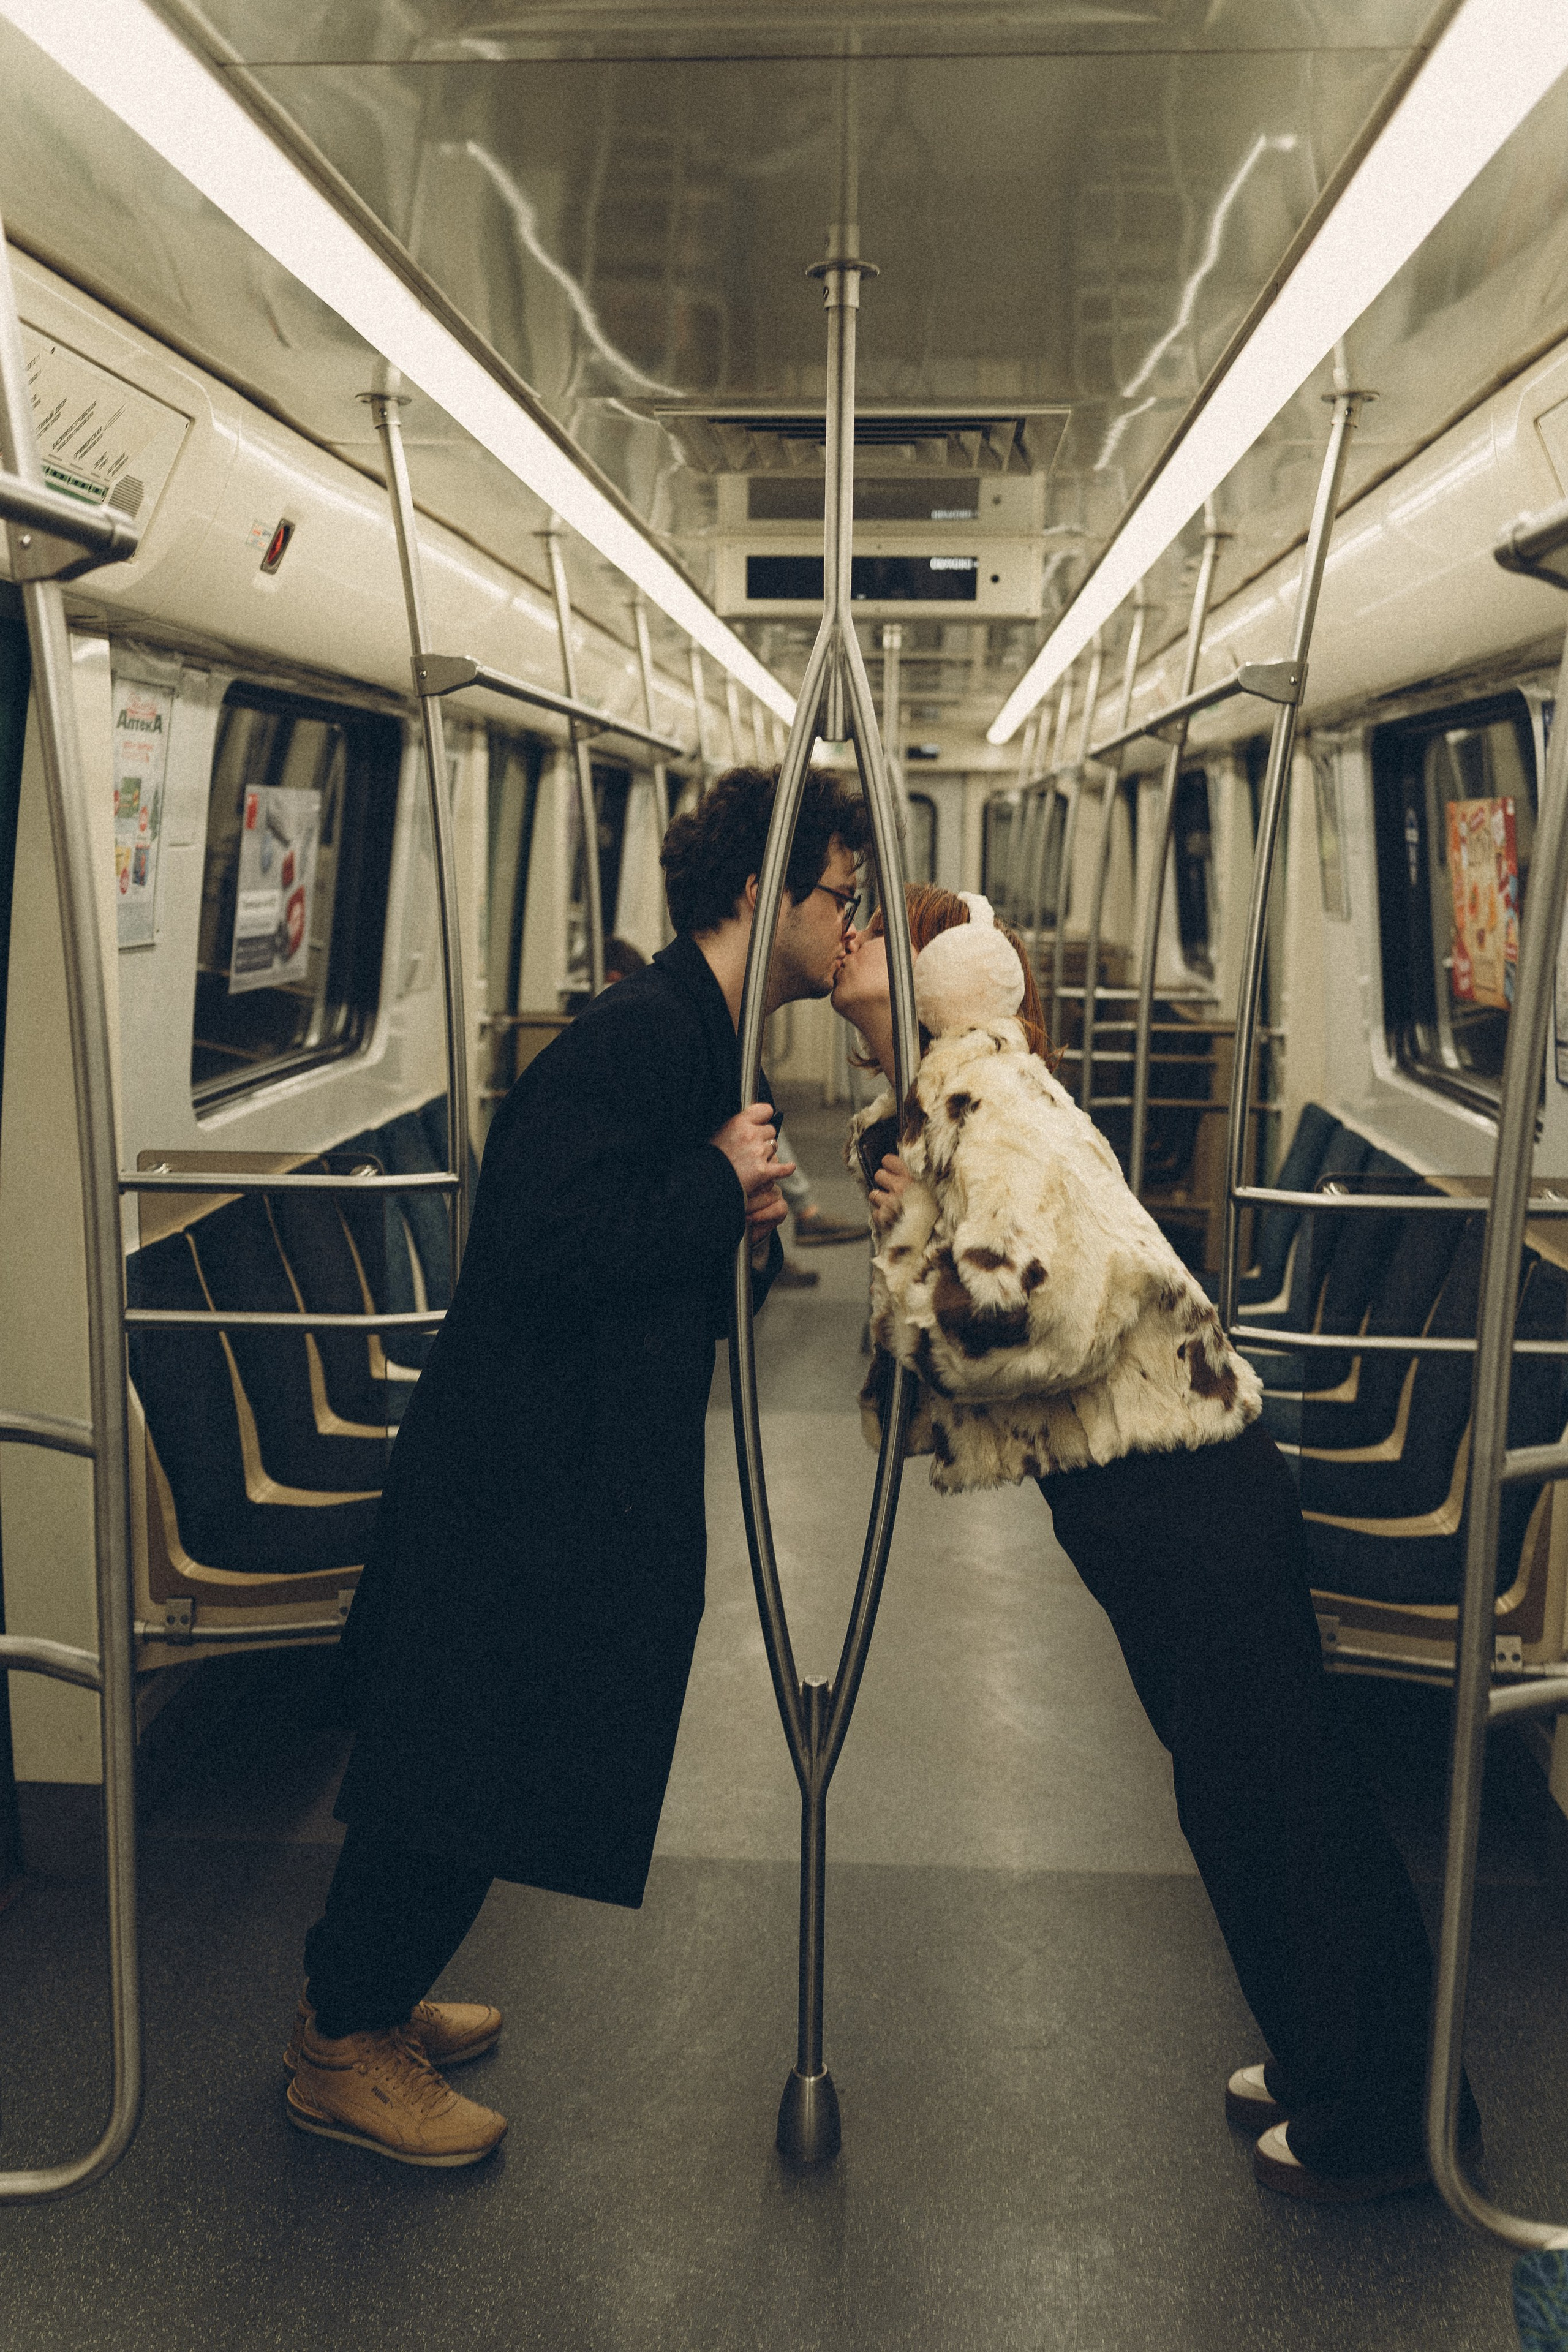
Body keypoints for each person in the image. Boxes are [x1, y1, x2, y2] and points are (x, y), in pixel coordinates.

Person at [831, 881, 1482, 2204]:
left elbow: (1019, 1321)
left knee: (1273, 1802)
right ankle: (1335, 2059)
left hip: (1183, 1497)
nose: (836, 955)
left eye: (860, 939)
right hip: (1174, 1490)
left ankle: (1392, 2121)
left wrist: (908, 1257)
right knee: (1255, 1793)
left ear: (919, 986)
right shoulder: (969, 1095)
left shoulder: (986, 1108)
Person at [283, 764, 870, 2166]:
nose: (854, 931)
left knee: (486, 1754)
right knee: (461, 1756)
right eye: (840, 901)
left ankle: (369, 1999)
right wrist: (712, 1187)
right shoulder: (641, 1036)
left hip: (572, 1458)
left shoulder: (700, 1034)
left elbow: (619, 1231)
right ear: (758, 893)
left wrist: (711, 1208)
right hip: (524, 1473)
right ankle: (338, 2040)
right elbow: (539, 1243)